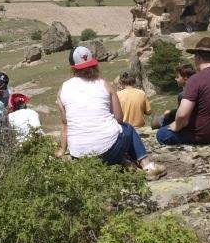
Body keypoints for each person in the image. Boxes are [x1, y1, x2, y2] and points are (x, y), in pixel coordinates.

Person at [56, 46, 166, 180]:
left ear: (72, 67)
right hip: (108, 152)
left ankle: (124, 163)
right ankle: (147, 166)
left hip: (79, 157)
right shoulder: (104, 84)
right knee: (128, 128)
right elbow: (119, 119)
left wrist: (62, 150)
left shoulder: (63, 90)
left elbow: (65, 126)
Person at [156, 37, 210, 145]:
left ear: (198, 56)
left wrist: (175, 127)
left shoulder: (195, 79)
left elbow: (182, 115)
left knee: (162, 134)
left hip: (203, 136)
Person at [151, 63, 195, 129]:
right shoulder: (196, 88)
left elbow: (182, 115)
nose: (175, 79)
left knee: (161, 133)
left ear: (185, 78)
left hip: (187, 126)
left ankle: (160, 122)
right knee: (169, 113)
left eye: (177, 77)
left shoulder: (183, 95)